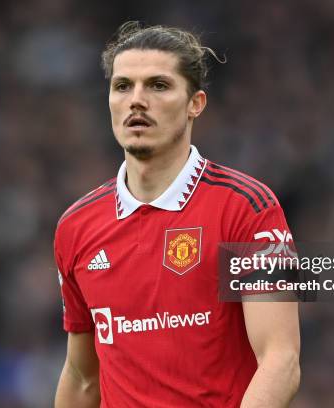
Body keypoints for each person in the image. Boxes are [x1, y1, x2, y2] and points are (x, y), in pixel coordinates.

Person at [53, 21, 300, 408]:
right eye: (122, 86)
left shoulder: (248, 208)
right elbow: (83, 376)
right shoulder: (75, 227)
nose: (136, 100)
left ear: (194, 104)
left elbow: (281, 361)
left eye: (158, 85)